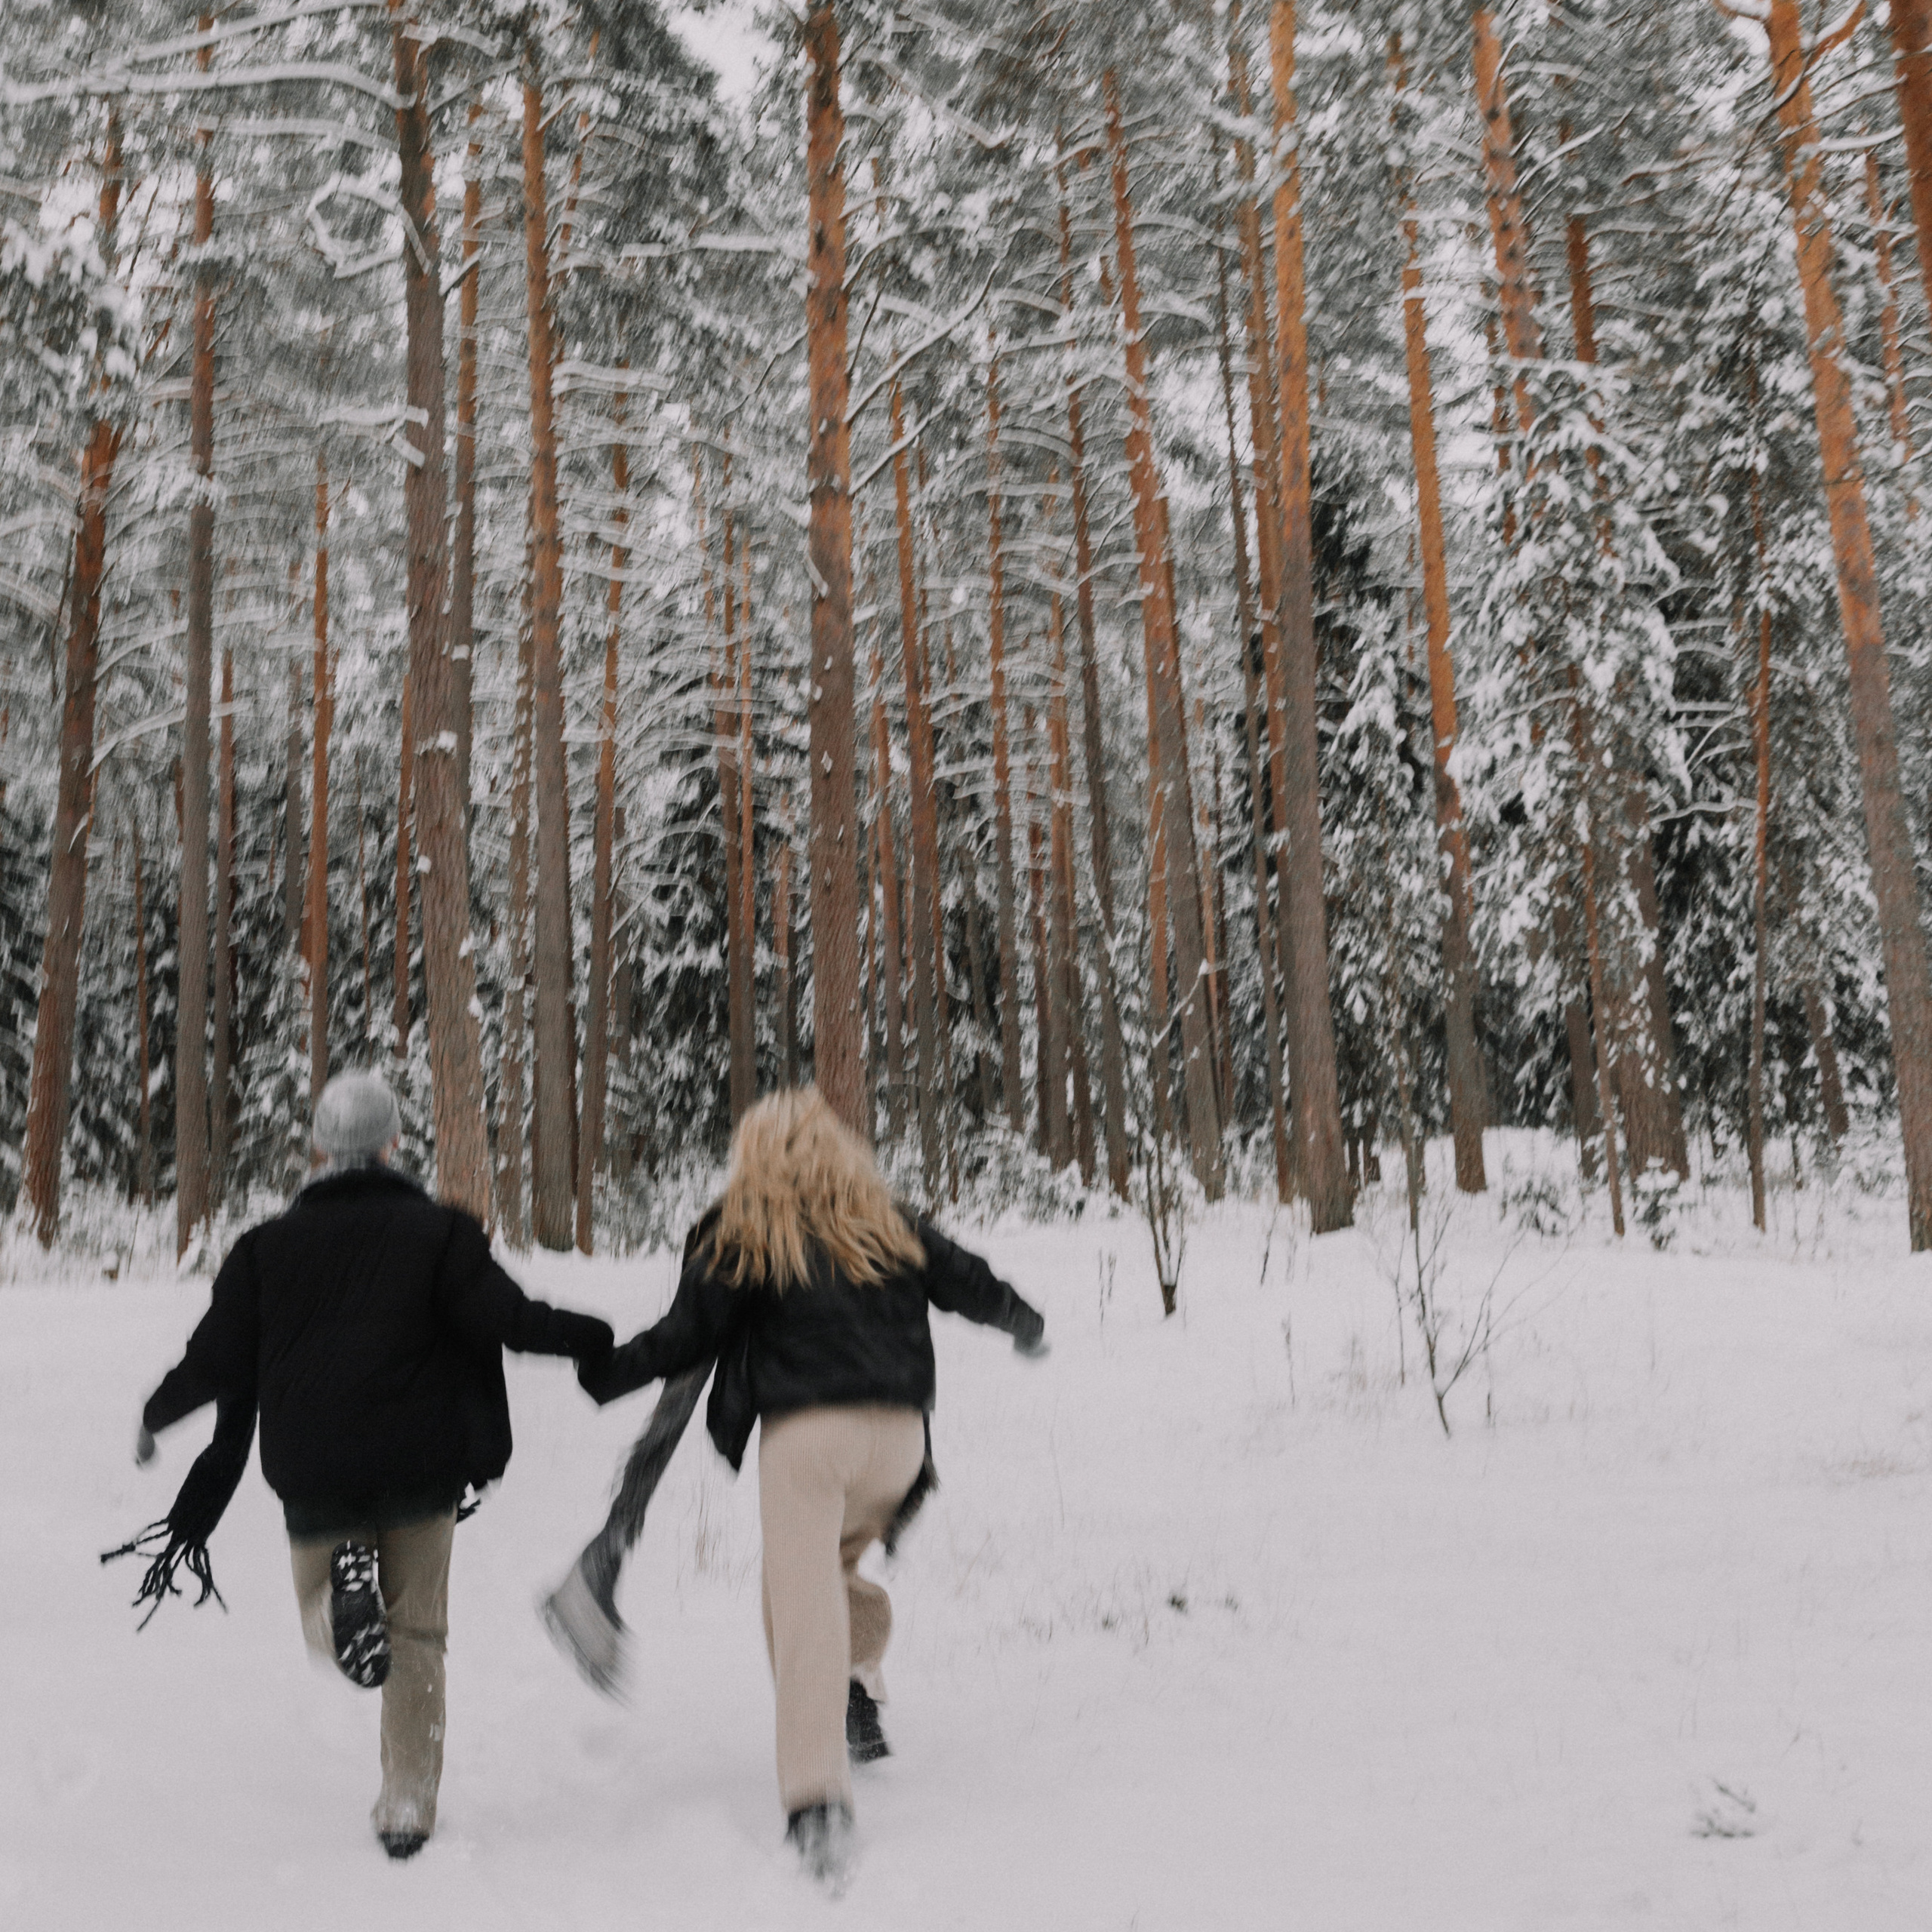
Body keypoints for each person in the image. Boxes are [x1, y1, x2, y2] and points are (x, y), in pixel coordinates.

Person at [127, 1069, 615, 1861]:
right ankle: (406, 1806)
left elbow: (213, 1358)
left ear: (318, 1149)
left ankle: (339, 1607)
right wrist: (591, 1337)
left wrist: (156, 1416)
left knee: (327, 1624)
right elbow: (509, 1318)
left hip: (314, 1469)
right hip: (422, 1466)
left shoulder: (264, 1250)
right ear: (394, 1145)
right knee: (416, 1631)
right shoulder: (440, 1234)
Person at [578, 1085, 1048, 1883]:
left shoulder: (746, 1226)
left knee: (799, 1607)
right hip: (899, 1438)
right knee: (822, 1577)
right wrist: (1024, 1323)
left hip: (807, 1438)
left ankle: (817, 1802)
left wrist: (604, 1371)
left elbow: (685, 1334)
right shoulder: (884, 1216)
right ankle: (855, 1682)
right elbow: (968, 1279)